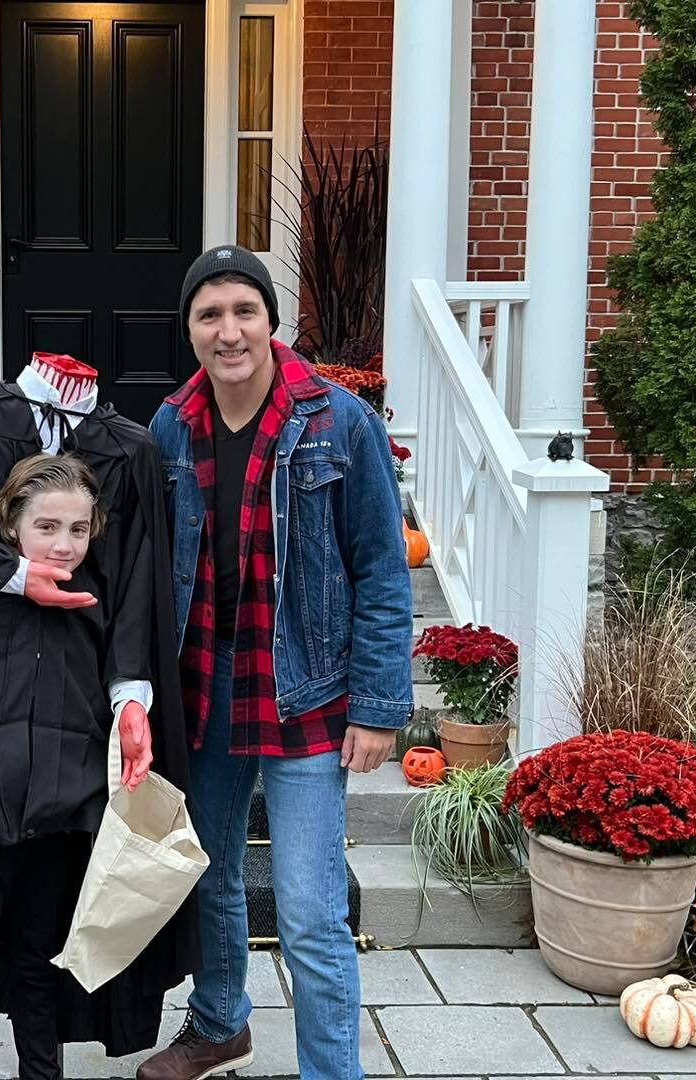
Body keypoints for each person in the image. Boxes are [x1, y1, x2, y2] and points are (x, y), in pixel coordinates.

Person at [0, 353, 198, 1075]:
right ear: (11, 521)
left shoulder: (128, 455)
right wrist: (14, 576)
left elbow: (137, 593)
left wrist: (131, 702)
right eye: (46, 526)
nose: (64, 544)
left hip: (59, 786)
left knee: (39, 958)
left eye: (78, 531)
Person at [137, 246, 414, 1080]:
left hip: (307, 690)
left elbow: (383, 568)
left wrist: (377, 705)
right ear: (190, 329)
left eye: (243, 311)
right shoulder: (170, 426)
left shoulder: (339, 421)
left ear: (270, 321)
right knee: (208, 876)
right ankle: (221, 1023)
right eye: (209, 315)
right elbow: (151, 568)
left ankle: (331, 1071)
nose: (228, 332)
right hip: (205, 684)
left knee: (309, 910)